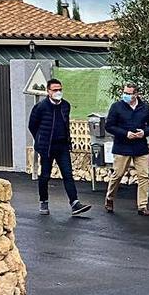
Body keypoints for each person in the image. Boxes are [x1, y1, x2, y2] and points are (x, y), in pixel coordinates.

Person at [28, 78, 91, 217]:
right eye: (55, 90)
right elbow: (32, 125)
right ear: (48, 91)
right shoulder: (40, 107)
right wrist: (40, 140)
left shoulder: (65, 106)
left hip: (62, 146)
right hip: (47, 147)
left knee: (68, 174)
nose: (58, 92)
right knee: (45, 175)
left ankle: (75, 203)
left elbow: (65, 124)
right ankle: (43, 201)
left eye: (60, 89)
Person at [104, 82, 149, 215]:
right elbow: (109, 126)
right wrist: (125, 133)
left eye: (129, 93)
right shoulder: (116, 107)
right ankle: (109, 198)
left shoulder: (144, 107)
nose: (126, 95)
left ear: (136, 94)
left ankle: (142, 206)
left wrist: (144, 132)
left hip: (140, 147)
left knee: (143, 176)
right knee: (117, 175)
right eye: (125, 93)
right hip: (122, 146)